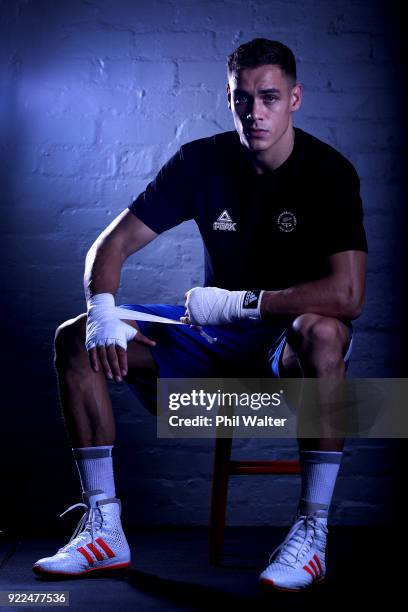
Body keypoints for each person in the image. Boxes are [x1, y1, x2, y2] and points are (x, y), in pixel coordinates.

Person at [33, 38, 367, 591]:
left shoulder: (329, 173)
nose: (255, 113)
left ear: (295, 98)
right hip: (214, 335)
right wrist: (102, 313)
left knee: (326, 333)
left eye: (269, 98)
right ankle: (104, 528)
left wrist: (243, 302)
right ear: (229, 98)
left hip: (288, 343)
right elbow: (108, 248)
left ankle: (312, 535)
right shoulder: (201, 161)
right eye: (242, 99)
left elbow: (348, 295)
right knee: (73, 339)